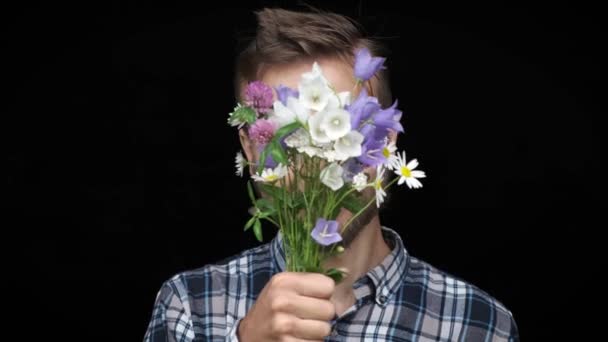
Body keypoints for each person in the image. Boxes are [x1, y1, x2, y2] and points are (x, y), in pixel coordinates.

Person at [144, 8, 519, 342]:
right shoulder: (191, 306)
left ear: (386, 140)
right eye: (290, 139)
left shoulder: (477, 325)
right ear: (251, 146)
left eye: (342, 136)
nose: (317, 169)